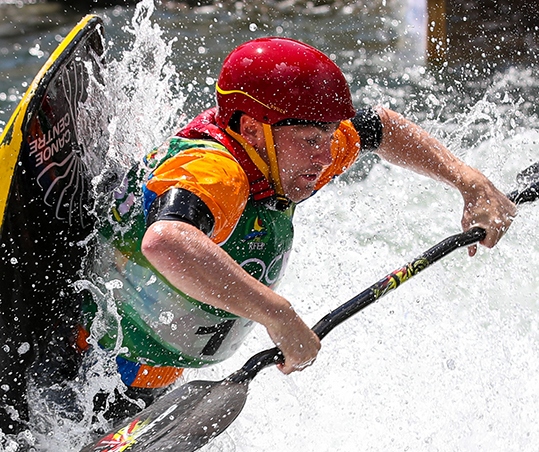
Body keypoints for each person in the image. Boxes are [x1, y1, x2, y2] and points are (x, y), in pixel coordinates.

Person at [82, 36, 516, 423]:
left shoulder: (286, 148)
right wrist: (279, 315)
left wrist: (469, 181)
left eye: (328, 137)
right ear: (250, 129)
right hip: (90, 364)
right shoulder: (215, 172)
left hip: (159, 362)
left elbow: (380, 127)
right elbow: (166, 241)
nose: (327, 157)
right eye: (312, 140)